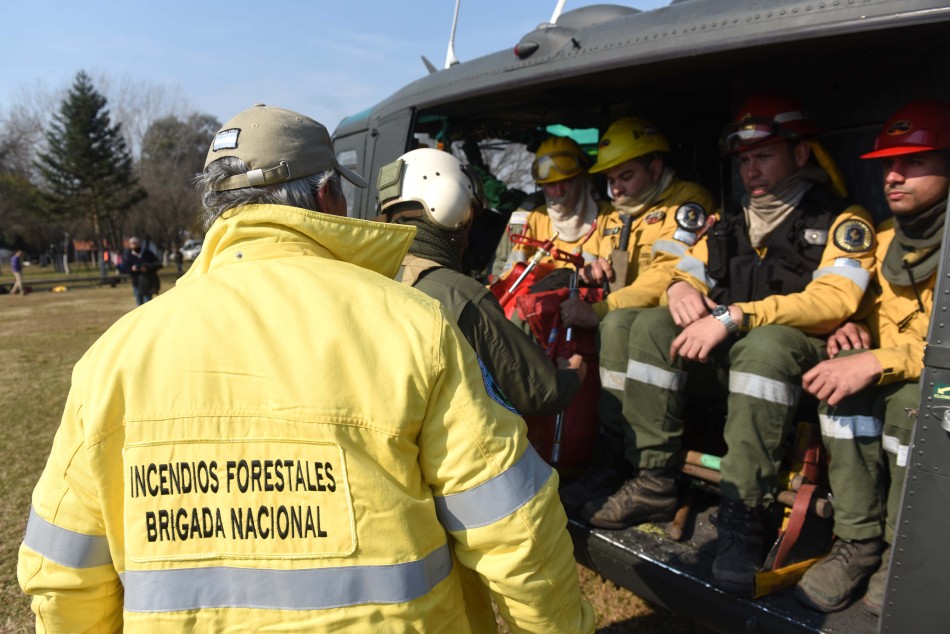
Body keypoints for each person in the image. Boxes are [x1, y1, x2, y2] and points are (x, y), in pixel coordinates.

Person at [18, 104, 594, 632]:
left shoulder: (113, 358)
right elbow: (515, 531)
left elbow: (62, 576)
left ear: (218, 209)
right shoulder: (414, 327)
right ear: (327, 197)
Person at [580, 91, 877, 597]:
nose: (751, 171)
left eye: (764, 156)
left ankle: (745, 512)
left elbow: (833, 301)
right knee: (651, 325)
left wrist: (738, 316)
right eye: (744, 160)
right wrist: (679, 287)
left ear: (800, 156)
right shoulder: (732, 223)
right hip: (734, 357)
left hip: (798, 362)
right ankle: (652, 479)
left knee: (767, 347)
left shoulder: (843, 221)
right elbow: (689, 269)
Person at [794, 98, 950, 615]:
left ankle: (909, 555)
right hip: (904, 367)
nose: (894, 175)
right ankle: (858, 544)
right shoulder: (881, 238)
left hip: (937, 382)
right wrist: (849, 332)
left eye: (914, 162)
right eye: (888, 163)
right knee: (840, 398)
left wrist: (878, 362)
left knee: (916, 405)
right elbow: (869, 310)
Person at [556, 117, 716, 514]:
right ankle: (612, 460)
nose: (617, 187)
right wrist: (589, 272)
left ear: (656, 168)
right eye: (611, 179)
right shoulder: (613, 215)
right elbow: (587, 258)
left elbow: (668, 275)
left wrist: (603, 307)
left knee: (621, 323)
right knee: (616, 330)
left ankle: (646, 473)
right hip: (621, 330)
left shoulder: (686, 205)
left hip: (668, 332)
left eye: (626, 175)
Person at [379, 146, 587, 417]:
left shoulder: (368, 274)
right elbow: (542, 392)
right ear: (450, 205)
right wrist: (572, 374)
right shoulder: (461, 296)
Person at [499, 135, 615, 279]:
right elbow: (509, 278)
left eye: (566, 181)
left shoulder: (608, 217)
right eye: (551, 184)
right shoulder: (536, 218)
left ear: (583, 177)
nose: (559, 191)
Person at [120, 236, 162, 305]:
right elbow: (125, 268)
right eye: (132, 244)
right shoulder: (129, 256)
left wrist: (147, 268)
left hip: (148, 282)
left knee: (148, 304)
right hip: (136, 283)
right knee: (139, 305)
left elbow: (158, 264)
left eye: (135, 243)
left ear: (139, 243)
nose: (134, 245)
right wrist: (132, 269)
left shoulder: (148, 253)